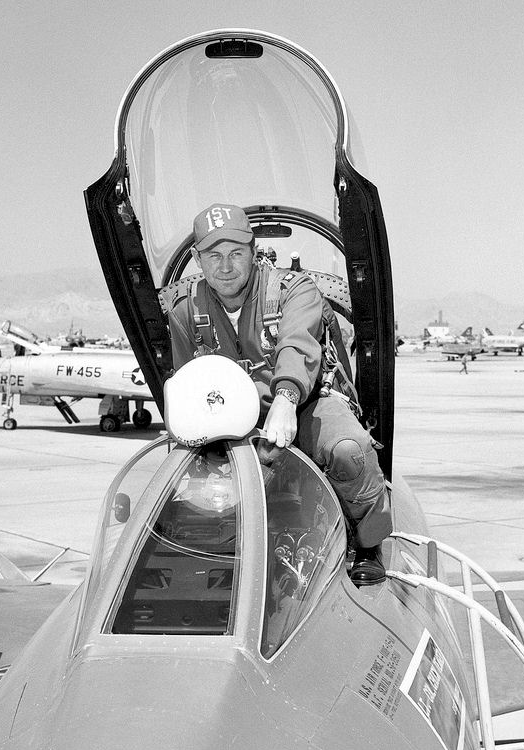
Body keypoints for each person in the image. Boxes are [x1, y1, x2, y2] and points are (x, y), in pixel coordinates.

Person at [167, 203, 391, 586]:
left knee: (348, 451)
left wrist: (286, 399)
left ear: (253, 250)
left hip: (304, 404)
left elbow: (297, 346)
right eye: (214, 255)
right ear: (197, 259)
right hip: (233, 419)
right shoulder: (187, 313)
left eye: (236, 253)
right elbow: (188, 383)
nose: (225, 266)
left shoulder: (294, 290)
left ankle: (368, 543)